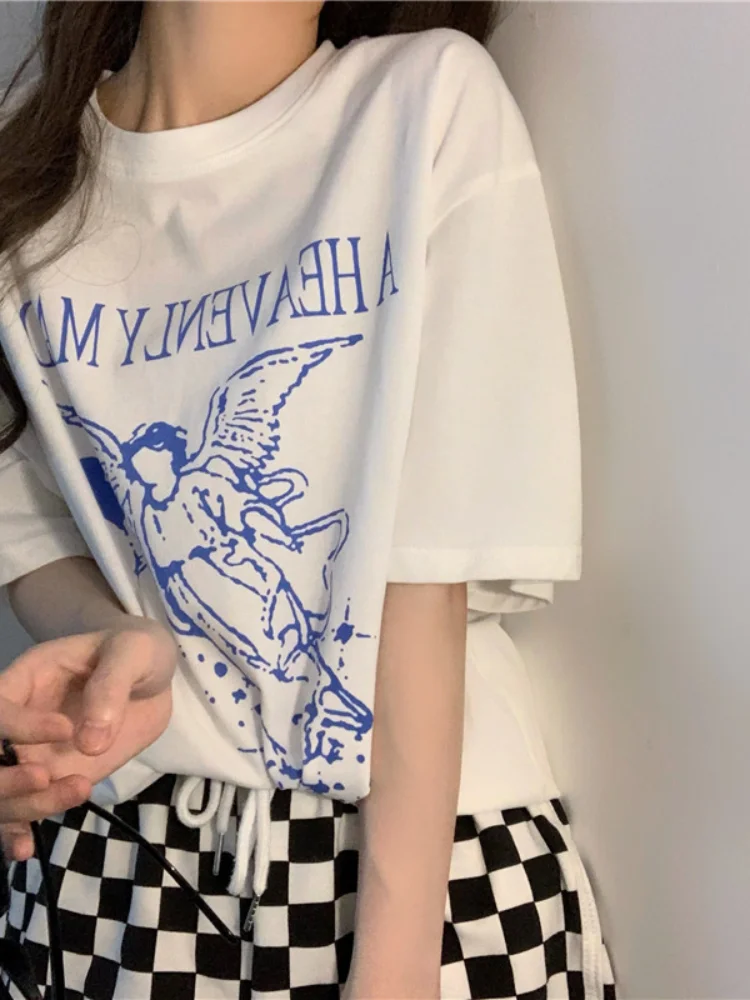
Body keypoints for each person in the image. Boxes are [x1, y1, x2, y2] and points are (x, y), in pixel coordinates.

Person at [0, 2, 617, 998]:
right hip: (120, 863)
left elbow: (424, 570)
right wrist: (117, 643)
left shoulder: (421, 101)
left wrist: (397, 964)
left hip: (430, 864)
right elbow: (30, 530)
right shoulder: (26, 179)